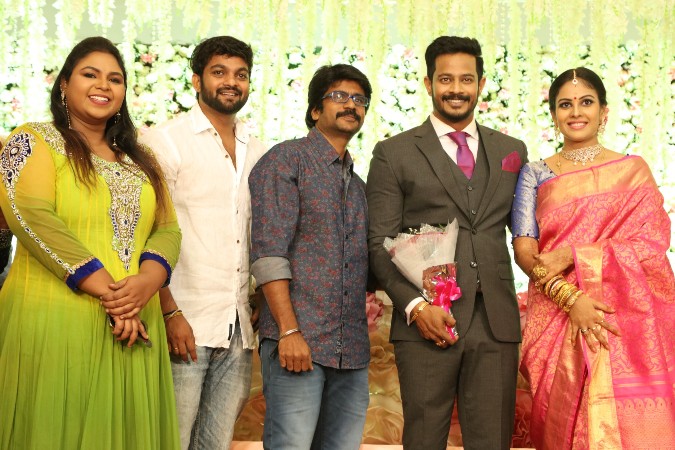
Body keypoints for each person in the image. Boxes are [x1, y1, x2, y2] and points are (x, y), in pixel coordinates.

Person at [0, 37, 182, 449]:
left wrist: (145, 285)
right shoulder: (33, 140)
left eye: (115, 79)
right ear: (64, 84)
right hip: (57, 319)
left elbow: (168, 229)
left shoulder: (140, 159)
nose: (104, 85)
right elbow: (31, 215)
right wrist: (115, 296)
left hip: (136, 320)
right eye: (90, 74)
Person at [367, 36, 528, 450]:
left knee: (493, 443)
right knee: (423, 440)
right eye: (445, 79)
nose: (456, 89)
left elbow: (528, 231)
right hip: (427, 322)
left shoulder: (512, 151)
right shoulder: (393, 153)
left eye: (466, 79)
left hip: (495, 322)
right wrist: (417, 308)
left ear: (481, 84)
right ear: (428, 83)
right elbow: (378, 244)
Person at [512, 67, 675, 449]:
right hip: (557, 313)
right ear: (553, 115)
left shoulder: (632, 170)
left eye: (586, 102)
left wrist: (574, 254)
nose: (575, 112)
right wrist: (572, 300)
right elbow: (525, 253)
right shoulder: (535, 175)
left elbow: (652, 243)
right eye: (565, 104)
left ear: (604, 111)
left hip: (625, 316)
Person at [139, 36, 267, 450]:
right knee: (171, 441)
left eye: (240, 74)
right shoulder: (166, 141)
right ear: (197, 80)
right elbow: (147, 233)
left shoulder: (257, 149)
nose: (231, 82)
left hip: (237, 328)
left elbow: (255, 232)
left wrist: (259, 297)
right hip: (184, 319)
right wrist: (169, 311)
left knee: (215, 444)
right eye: (219, 72)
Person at [250, 64, 372, 450]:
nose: (351, 105)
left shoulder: (359, 186)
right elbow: (269, 253)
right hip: (297, 344)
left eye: (359, 100)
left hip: (351, 352)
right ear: (316, 110)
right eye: (339, 96)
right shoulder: (287, 161)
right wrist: (289, 332)